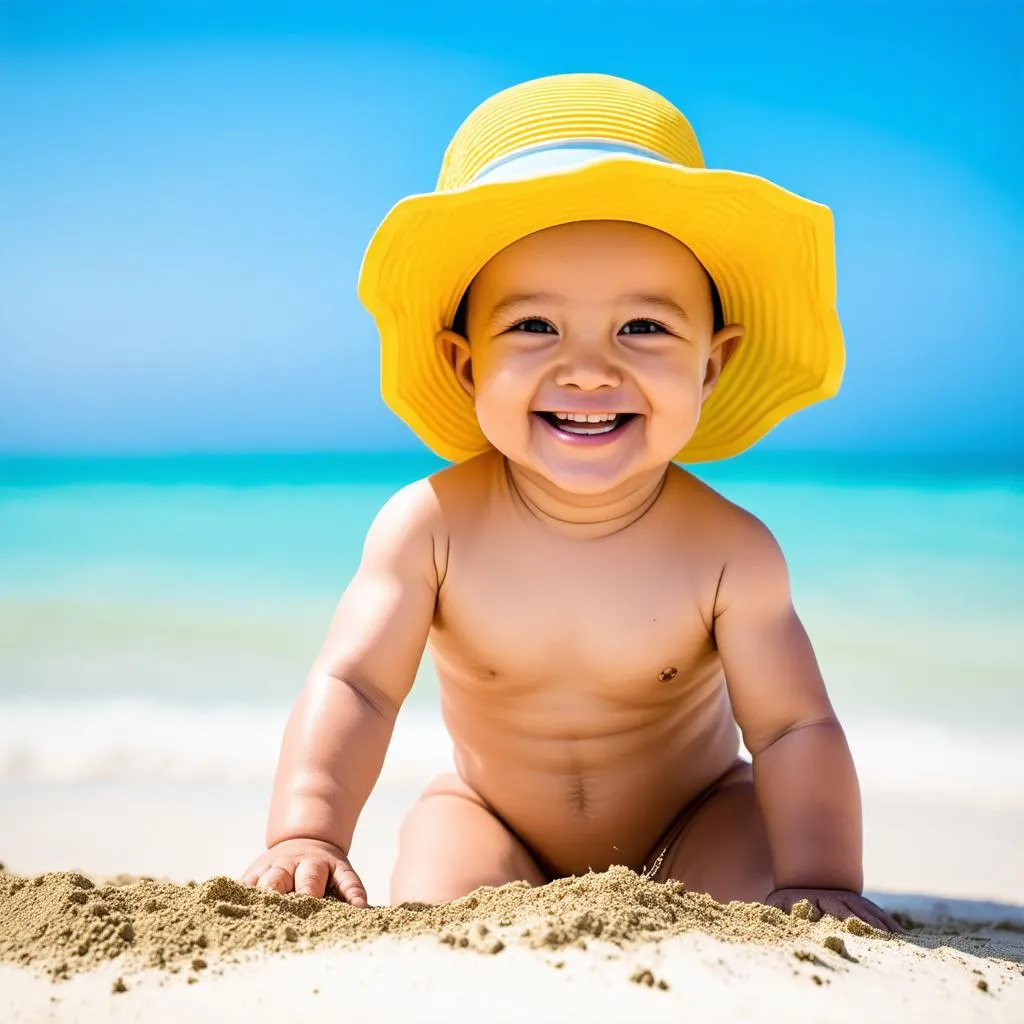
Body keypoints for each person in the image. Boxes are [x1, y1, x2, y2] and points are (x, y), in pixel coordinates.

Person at [239, 72, 899, 932]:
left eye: (644, 328)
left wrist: (823, 875)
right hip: (493, 815)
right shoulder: (429, 529)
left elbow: (791, 728)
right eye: (534, 327)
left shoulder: (731, 550)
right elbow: (359, 686)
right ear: (466, 363)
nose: (589, 369)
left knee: (768, 885)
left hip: (692, 817)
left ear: (712, 363)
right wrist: (307, 832)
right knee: (441, 893)